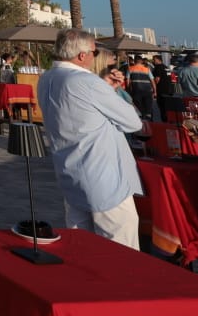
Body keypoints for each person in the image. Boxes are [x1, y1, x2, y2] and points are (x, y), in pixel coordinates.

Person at [37, 28, 147, 248]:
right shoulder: (86, 81)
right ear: (82, 55)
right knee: (121, 249)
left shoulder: (46, 78)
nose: (95, 57)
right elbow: (134, 122)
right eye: (94, 53)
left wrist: (106, 89)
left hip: (70, 172)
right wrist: (110, 92)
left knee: (82, 246)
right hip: (103, 176)